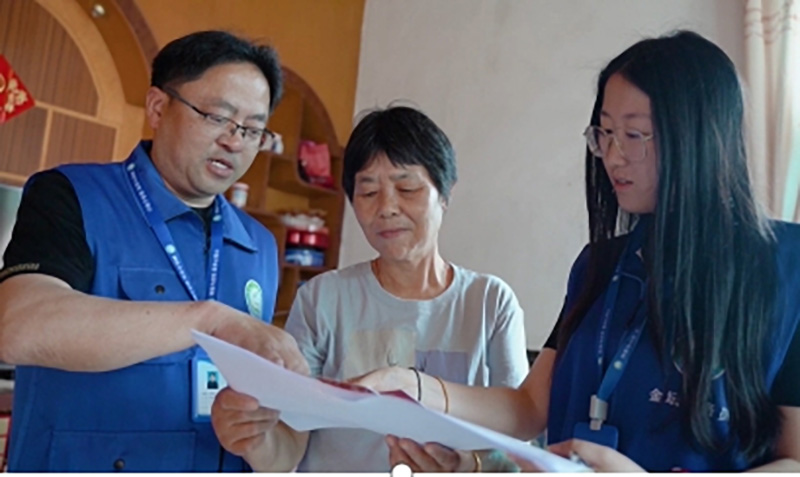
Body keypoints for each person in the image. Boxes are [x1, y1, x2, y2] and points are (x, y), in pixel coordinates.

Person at [352, 31, 800, 472]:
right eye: (605, 132)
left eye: (634, 134)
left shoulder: (787, 269)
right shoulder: (599, 266)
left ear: (700, 136)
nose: (612, 155)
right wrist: (413, 387)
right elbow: (529, 407)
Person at [0, 30, 309, 472]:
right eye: (218, 117)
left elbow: (280, 456)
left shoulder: (257, 242)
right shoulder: (73, 195)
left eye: (253, 130)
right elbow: (18, 327)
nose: (235, 141)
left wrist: (255, 434)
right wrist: (209, 320)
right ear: (158, 108)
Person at [211, 105, 530, 471]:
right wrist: (252, 438)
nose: (387, 208)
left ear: (445, 194)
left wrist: (469, 465)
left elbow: (519, 442)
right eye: (368, 192)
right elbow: (286, 452)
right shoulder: (322, 299)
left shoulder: (490, 302)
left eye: (407, 188)